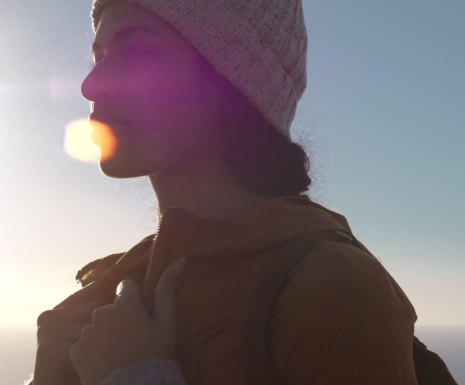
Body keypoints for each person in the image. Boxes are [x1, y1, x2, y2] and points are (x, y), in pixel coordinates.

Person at [31, 1, 419, 384]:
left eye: (138, 52)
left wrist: (138, 378)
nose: (91, 85)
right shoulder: (114, 290)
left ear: (231, 79)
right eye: (98, 58)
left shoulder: (334, 289)